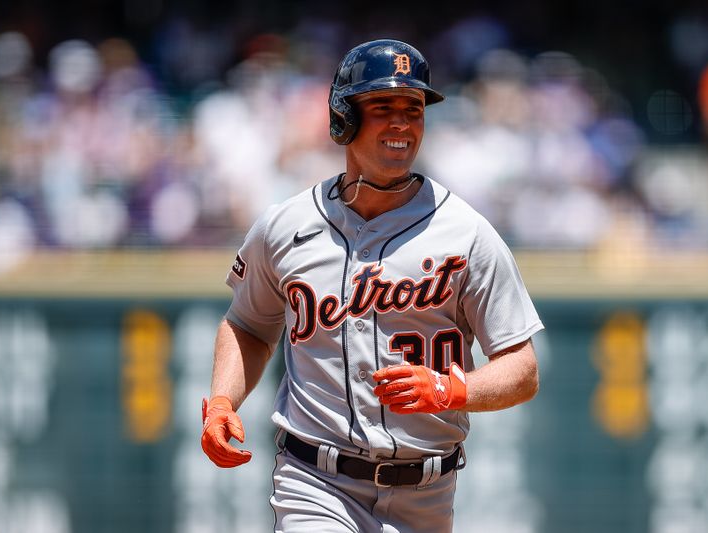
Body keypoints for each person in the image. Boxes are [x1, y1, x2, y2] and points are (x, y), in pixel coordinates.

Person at [201, 39, 544, 533]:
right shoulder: (286, 225)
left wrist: (453, 388)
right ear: (344, 117)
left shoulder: (467, 234)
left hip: (427, 495)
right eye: (383, 107)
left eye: (413, 108)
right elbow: (248, 326)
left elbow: (523, 370)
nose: (402, 123)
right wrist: (221, 401)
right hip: (315, 482)